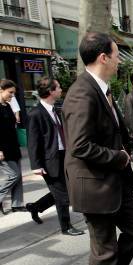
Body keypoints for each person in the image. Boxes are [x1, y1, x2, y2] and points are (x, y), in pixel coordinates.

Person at [63, 32, 133, 265]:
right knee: (104, 248)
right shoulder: (82, 92)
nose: (118, 59)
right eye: (116, 54)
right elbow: (80, 145)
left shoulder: (101, 88)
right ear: (103, 57)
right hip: (94, 184)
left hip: (114, 180)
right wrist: (119, 156)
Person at [25, 77, 84, 236]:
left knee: (61, 191)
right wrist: (36, 165)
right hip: (49, 160)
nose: (60, 90)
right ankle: (66, 227)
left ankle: (35, 207)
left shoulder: (57, 109)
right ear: (51, 91)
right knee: (63, 195)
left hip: (64, 155)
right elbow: (32, 142)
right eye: (58, 87)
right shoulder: (35, 114)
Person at [0, 79, 26, 215]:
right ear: (1, 90)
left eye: (13, 93)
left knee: (19, 176)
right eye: (10, 92)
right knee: (13, 175)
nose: (12, 95)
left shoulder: (7, 105)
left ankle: (17, 204)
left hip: (13, 145)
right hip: (3, 148)